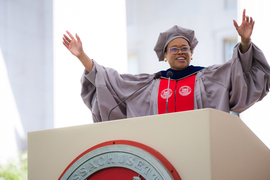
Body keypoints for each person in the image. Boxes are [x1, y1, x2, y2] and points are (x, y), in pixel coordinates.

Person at [63, 9, 270, 122]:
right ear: (164, 56)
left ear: (191, 53)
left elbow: (241, 72)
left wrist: (244, 42)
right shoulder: (149, 85)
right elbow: (110, 82)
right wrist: (82, 56)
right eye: (174, 48)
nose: (180, 51)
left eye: (185, 48)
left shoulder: (210, 78)